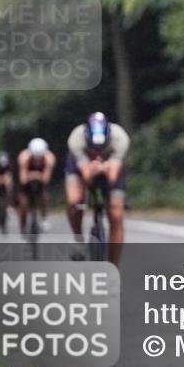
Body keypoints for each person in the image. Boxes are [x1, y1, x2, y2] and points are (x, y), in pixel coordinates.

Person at [65, 113, 130, 265]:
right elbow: (86, 177)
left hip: (111, 166)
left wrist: (104, 166)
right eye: (93, 149)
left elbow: (113, 176)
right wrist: (94, 168)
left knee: (116, 214)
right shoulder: (76, 139)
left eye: (102, 149)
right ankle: (78, 238)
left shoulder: (120, 138)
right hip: (80, 167)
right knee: (74, 201)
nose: (98, 153)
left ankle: (114, 267)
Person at [18, 138, 56, 234]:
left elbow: (46, 179)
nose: (37, 161)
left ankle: (43, 215)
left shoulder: (50, 158)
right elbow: (23, 179)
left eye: (40, 158)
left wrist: (34, 175)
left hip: (40, 183)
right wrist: (36, 175)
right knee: (23, 204)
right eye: (35, 158)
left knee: (44, 196)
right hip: (26, 185)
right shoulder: (23, 157)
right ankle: (23, 226)